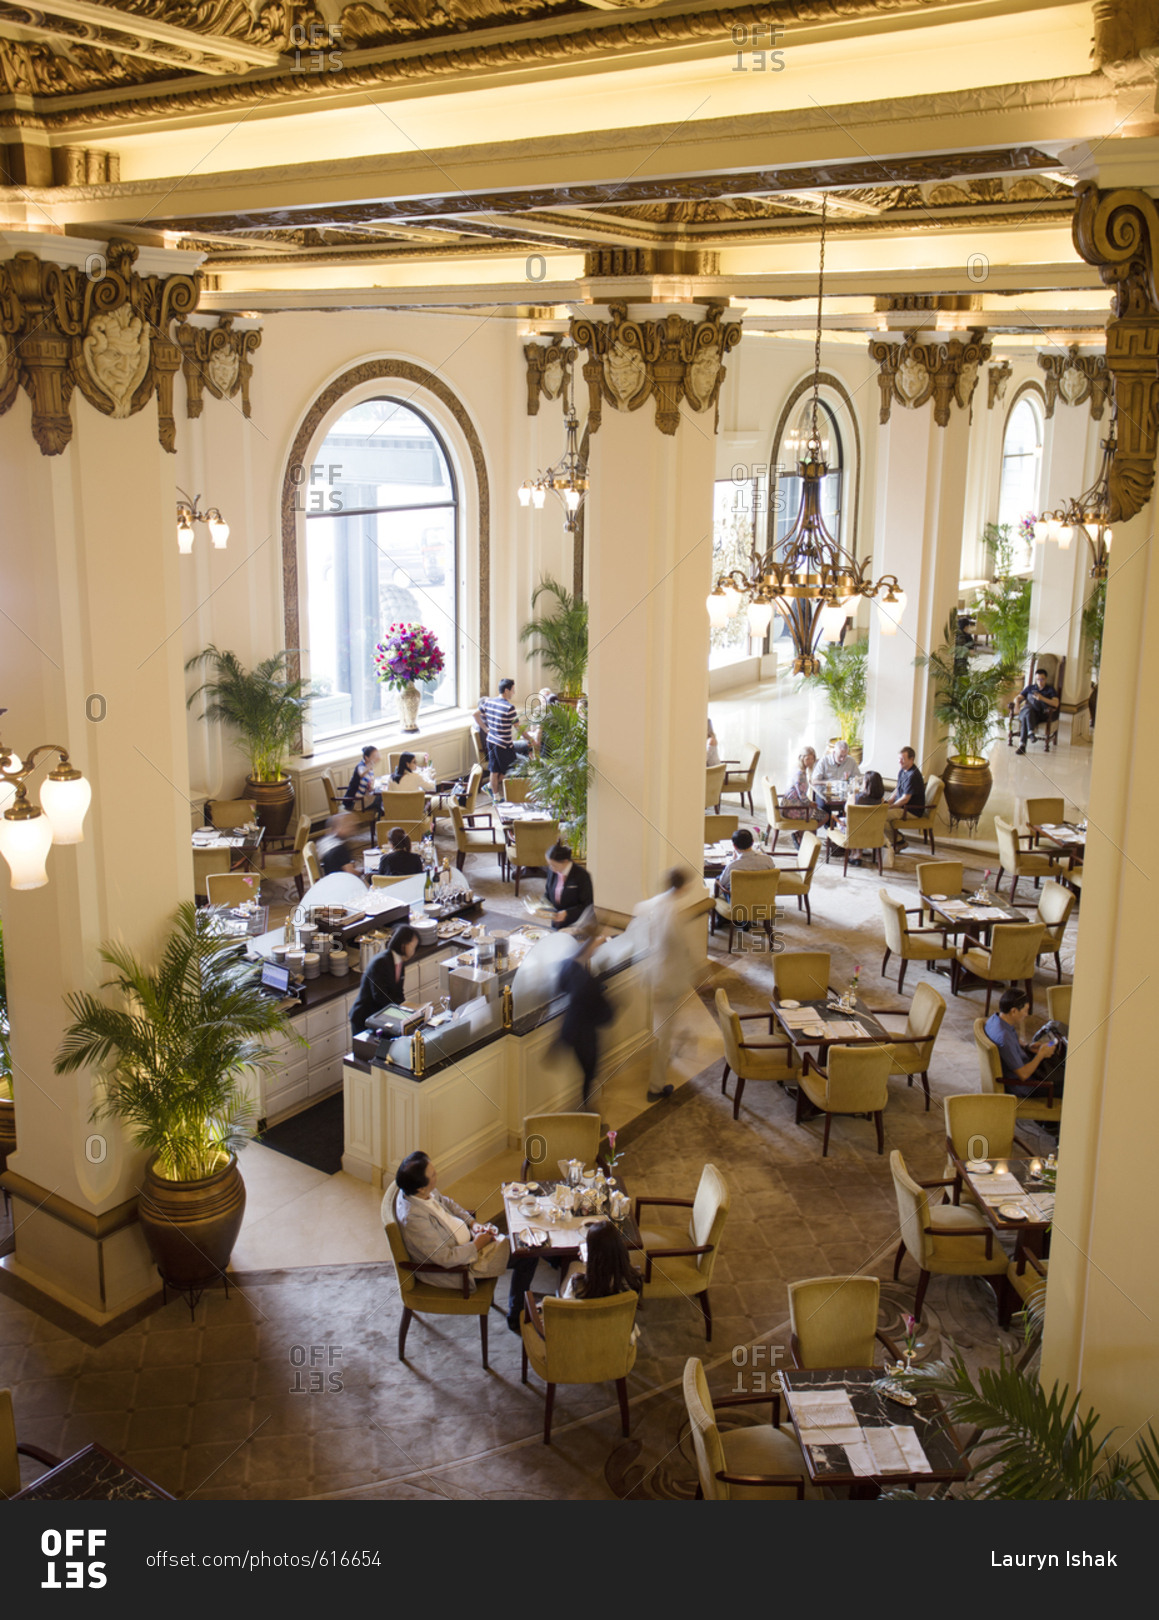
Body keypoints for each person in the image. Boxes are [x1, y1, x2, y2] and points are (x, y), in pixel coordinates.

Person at [388, 1150, 543, 1334]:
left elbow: (447, 1203)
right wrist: (478, 1244)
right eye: (433, 1174)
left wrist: (473, 1224)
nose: (437, 1175)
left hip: (469, 1242)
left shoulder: (420, 1192)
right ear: (421, 1188)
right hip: (461, 1266)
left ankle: (552, 1260)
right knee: (526, 1254)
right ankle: (516, 1316)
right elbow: (445, 1258)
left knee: (523, 1241)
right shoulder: (414, 1219)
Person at [640, 867, 701, 1101]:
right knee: (663, 1034)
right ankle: (655, 1087)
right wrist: (699, 973)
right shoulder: (675, 913)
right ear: (683, 886)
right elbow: (686, 950)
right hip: (666, 981)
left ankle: (668, 1058)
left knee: (662, 1028)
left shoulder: (652, 904)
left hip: (650, 976)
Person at [555, 930, 613, 1108]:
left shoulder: (566, 965)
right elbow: (607, 1016)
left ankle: (588, 1107)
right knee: (590, 1073)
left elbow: (561, 986)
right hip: (584, 1036)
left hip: (569, 1032)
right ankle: (589, 1111)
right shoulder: (588, 983)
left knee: (588, 1073)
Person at [559, 1220, 642, 1336]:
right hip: (618, 1338)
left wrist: (588, 1266)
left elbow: (566, 1313)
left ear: (592, 1255)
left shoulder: (578, 1285)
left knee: (570, 1273)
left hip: (585, 1340)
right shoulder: (633, 1281)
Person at [984, 987, 1064, 1104]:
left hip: (1021, 1069)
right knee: (1068, 1085)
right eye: (1025, 1011)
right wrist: (1041, 1055)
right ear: (1014, 1011)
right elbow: (1023, 1075)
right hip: (1023, 1086)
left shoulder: (994, 1020)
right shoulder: (1004, 1037)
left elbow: (1012, 1045)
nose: (1027, 1014)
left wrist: (1028, 1047)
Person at [350, 924, 420, 1036]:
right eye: (412, 946)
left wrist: (407, 1010)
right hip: (365, 1017)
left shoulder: (399, 963)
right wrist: (401, 1013)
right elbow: (379, 996)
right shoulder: (381, 962)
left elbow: (398, 993)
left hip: (382, 1016)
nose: (413, 951)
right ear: (403, 945)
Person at [475, 677, 521, 798]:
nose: (514, 693)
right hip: (504, 745)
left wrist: (485, 729)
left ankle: (495, 796)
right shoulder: (509, 708)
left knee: (494, 770)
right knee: (512, 769)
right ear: (506, 690)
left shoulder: (489, 702)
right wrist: (530, 739)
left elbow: (475, 714)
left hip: (491, 741)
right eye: (513, 690)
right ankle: (490, 786)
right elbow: (518, 727)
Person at [544, 841, 594, 930]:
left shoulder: (582, 876)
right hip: (557, 921)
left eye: (554, 865)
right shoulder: (553, 871)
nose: (551, 868)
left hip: (577, 923)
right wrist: (541, 904)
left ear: (565, 861)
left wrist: (567, 913)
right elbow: (548, 893)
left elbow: (587, 904)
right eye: (550, 865)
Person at [884, 746, 926, 852]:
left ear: (911, 759)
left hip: (911, 810)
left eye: (902, 759)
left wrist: (890, 807)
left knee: (881, 816)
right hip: (902, 806)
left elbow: (905, 799)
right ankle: (894, 839)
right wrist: (888, 802)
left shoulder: (913, 775)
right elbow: (897, 790)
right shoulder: (902, 771)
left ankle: (899, 840)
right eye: (899, 759)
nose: (899, 762)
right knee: (880, 812)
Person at [810, 739, 860, 826]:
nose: (842, 759)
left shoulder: (850, 761)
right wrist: (828, 782)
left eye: (845, 756)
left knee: (853, 806)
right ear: (834, 752)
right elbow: (814, 781)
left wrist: (852, 781)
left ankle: (839, 825)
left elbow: (857, 778)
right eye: (840, 756)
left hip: (843, 792)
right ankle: (830, 827)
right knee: (823, 808)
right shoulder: (824, 761)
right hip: (825, 791)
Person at [719, 826, 774, 898]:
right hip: (761, 896)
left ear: (734, 846)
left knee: (720, 878)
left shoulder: (733, 865)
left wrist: (733, 860)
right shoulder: (767, 860)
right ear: (752, 842)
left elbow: (722, 882)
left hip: (739, 898)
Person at [1015, 668, 1060, 754]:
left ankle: (1022, 746)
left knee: (1028, 710)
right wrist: (1017, 705)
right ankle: (1031, 733)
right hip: (1029, 714)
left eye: (1042, 679)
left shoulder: (1050, 690)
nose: (1040, 682)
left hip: (1040, 715)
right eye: (1038, 679)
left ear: (1046, 679)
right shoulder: (1030, 688)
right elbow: (1018, 698)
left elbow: (1056, 703)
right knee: (1029, 709)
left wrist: (1042, 698)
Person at [781, 746, 818, 848]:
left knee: (818, 812)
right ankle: (802, 835)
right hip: (793, 808)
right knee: (821, 816)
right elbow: (803, 797)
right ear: (802, 759)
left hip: (788, 804)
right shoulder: (800, 774)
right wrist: (811, 803)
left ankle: (801, 833)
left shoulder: (797, 769)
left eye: (812, 759)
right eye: (807, 759)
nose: (810, 761)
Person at [316, 811, 362, 877]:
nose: (354, 828)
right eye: (350, 825)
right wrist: (363, 872)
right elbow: (351, 873)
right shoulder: (341, 849)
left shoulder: (324, 841)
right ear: (338, 827)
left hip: (328, 878)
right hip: (341, 881)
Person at [343, 743, 382, 816]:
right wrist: (371, 764)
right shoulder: (361, 766)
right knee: (382, 799)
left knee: (382, 797)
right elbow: (361, 773)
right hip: (354, 802)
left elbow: (368, 785)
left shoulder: (368, 768)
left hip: (363, 798)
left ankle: (380, 821)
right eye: (374, 756)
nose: (376, 757)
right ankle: (381, 821)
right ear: (366, 758)